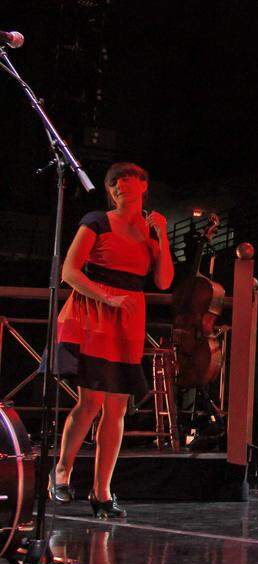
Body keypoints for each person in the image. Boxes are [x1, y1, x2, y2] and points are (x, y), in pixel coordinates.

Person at [48, 162, 174, 519]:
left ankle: (102, 491)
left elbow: (164, 281)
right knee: (91, 402)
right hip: (93, 312)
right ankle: (61, 471)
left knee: (117, 408)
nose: (119, 187)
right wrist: (106, 298)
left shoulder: (151, 230)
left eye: (126, 181)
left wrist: (163, 236)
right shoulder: (97, 221)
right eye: (114, 183)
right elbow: (69, 271)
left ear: (143, 186)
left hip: (128, 319)